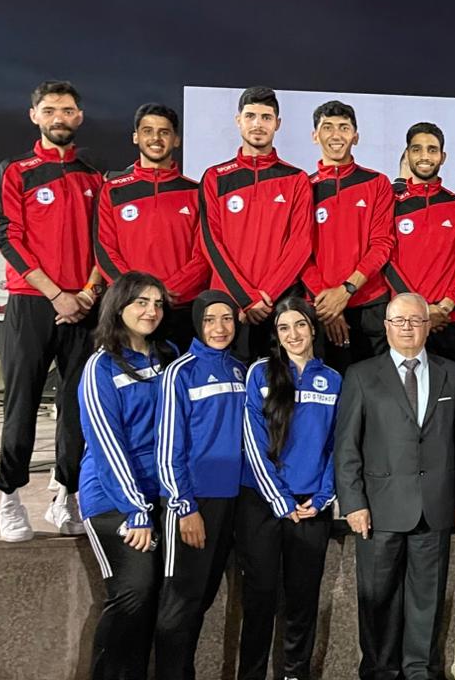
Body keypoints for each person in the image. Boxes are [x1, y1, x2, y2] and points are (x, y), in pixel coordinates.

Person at [0, 79, 105, 541]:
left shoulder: (94, 177)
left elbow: (103, 243)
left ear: (80, 117)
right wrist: (57, 294)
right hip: (33, 304)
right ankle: (10, 496)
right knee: (22, 404)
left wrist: (88, 292)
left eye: (68, 110)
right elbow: (8, 238)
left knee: (77, 409)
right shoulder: (15, 171)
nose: (60, 117)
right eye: (51, 109)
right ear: (34, 115)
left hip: (85, 306)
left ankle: (66, 495)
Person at [335, 292, 455, 680]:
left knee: (428, 598)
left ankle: (420, 669)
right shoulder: (361, 375)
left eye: (415, 321)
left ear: (428, 326)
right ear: (387, 326)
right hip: (378, 509)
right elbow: (347, 446)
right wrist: (353, 502)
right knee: (378, 599)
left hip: (435, 506)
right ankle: (380, 669)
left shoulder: (452, 372)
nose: (407, 328)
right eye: (399, 321)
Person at [78, 271, 177, 680]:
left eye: (157, 303)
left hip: (161, 494)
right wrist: (136, 509)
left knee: (158, 599)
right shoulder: (100, 367)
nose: (151, 311)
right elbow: (106, 444)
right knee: (133, 591)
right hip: (113, 497)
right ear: (118, 307)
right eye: (141, 302)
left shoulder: (169, 356)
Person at [236, 296, 340, 680]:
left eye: (299, 325)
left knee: (303, 600)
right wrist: (279, 499)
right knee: (260, 598)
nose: (293, 334)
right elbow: (252, 440)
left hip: (311, 507)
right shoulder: (259, 373)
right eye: (283, 328)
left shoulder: (333, 380)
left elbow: (338, 446)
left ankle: (295, 674)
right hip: (263, 503)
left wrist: (323, 496)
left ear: (313, 329)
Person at [153, 290, 248, 680]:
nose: (219, 328)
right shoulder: (180, 372)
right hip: (192, 503)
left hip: (231, 501)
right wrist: (184, 506)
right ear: (197, 324)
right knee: (180, 602)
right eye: (210, 320)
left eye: (226, 319)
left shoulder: (241, 370)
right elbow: (167, 447)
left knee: (202, 599)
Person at [198, 86, 312, 360]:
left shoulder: (296, 179)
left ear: (277, 124)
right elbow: (211, 242)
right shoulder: (215, 177)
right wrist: (245, 297)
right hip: (230, 306)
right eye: (250, 116)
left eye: (266, 117)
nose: (258, 124)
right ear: (239, 120)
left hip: (277, 306)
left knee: (279, 383)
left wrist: (266, 295)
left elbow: (301, 244)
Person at [95, 103, 210, 354]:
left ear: (176, 140)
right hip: (129, 309)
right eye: (147, 131)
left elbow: (204, 254)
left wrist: (166, 293)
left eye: (164, 132)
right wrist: (137, 293)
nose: (155, 138)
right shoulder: (113, 190)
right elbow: (105, 249)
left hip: (181, 308)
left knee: (179, 377)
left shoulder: (195, 191)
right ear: (136, 137)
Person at [300, 100, 396, 372]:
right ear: (315, 135)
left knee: (373, 389)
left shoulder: (377, 183)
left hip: (370, 306)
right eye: (327, 127)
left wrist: (346, 291)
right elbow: (298, 251)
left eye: (344, 127)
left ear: (356, 136)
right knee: (324, 388)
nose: (336, 135)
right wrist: (328, 303)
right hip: (320, 308)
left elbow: (382, 243)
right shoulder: (303, 187)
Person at [385, 122, 455, 365]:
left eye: (432, 150)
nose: (425, 156)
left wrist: (445, 306)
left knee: (451, 387)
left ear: (443, 157)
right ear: (407, 155)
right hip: (405, 321)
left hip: (449, 320)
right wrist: (419, 310)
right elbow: (386, 259)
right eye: (417, 149)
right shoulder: (390, 204)